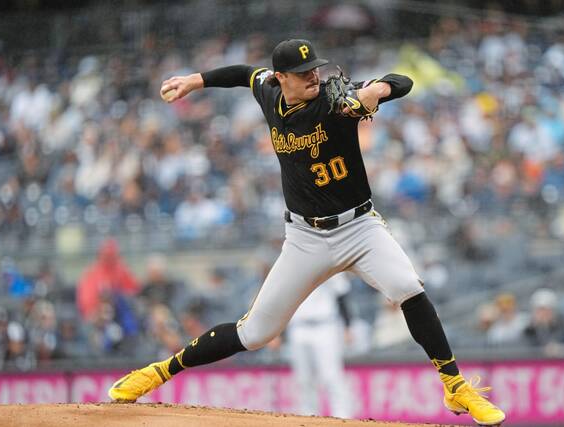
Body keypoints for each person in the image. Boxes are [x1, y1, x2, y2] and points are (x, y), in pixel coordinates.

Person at [108, 39, 505, 426]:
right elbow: (244, 73)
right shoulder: (268, 92)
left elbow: (403, 81)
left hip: (359, 228)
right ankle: (160, 371)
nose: (313, 76)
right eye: (301, 73)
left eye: (314, 67)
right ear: (280, 78)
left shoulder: (336, 102)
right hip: (305, 238)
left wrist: (376, 91)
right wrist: (197, 80)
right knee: (256, 332)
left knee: (408, 287)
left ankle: (454, 385)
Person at [286, 272, 353, 418]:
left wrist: (347, 326)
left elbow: (342, 297)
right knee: (303, 378)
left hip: (325, 325)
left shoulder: (329, 262)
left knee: (331, 375)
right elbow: (282, 300)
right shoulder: (290, 264)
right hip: (298, 327)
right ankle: (308, 416)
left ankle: (343, 417)